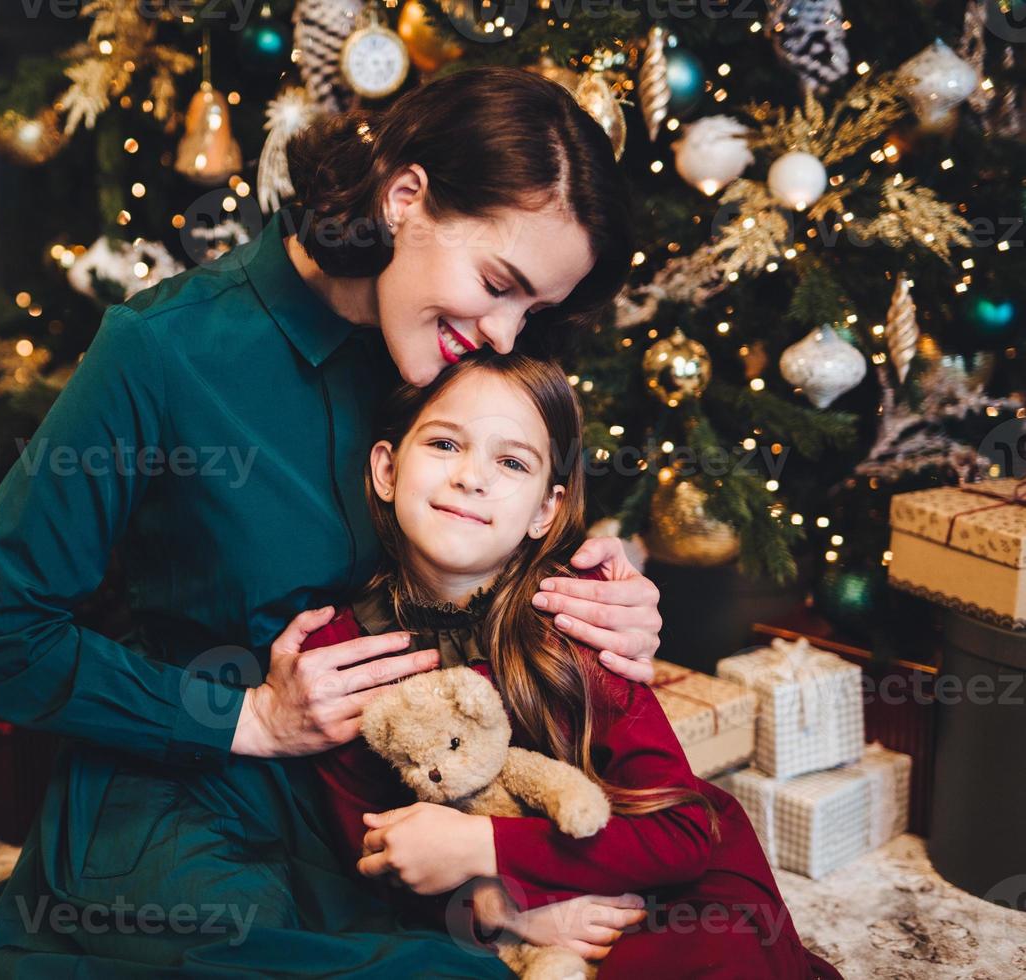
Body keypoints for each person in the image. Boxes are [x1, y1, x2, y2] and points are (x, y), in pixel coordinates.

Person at [0, 66, 665, 978]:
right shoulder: (163, 351)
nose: (507, 335)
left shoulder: (468, 362)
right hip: (185, 792)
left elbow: (513, 536)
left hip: (391, 793)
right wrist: (249, 719)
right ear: (404, 197)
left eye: (533, 309)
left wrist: (606, 599)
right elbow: (0, 638)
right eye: (498, 283)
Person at [309, 350, 842, 978]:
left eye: (510, 462)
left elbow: (683, 834)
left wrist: (487, 848)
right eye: (446, 444)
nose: (472, 478)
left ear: (545, 510)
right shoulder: (343, 652)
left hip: (644, 871)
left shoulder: (579, 620)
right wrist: (499, 906)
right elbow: (371, 856)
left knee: (714, 950)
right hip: (476, 916)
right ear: (387, 469)